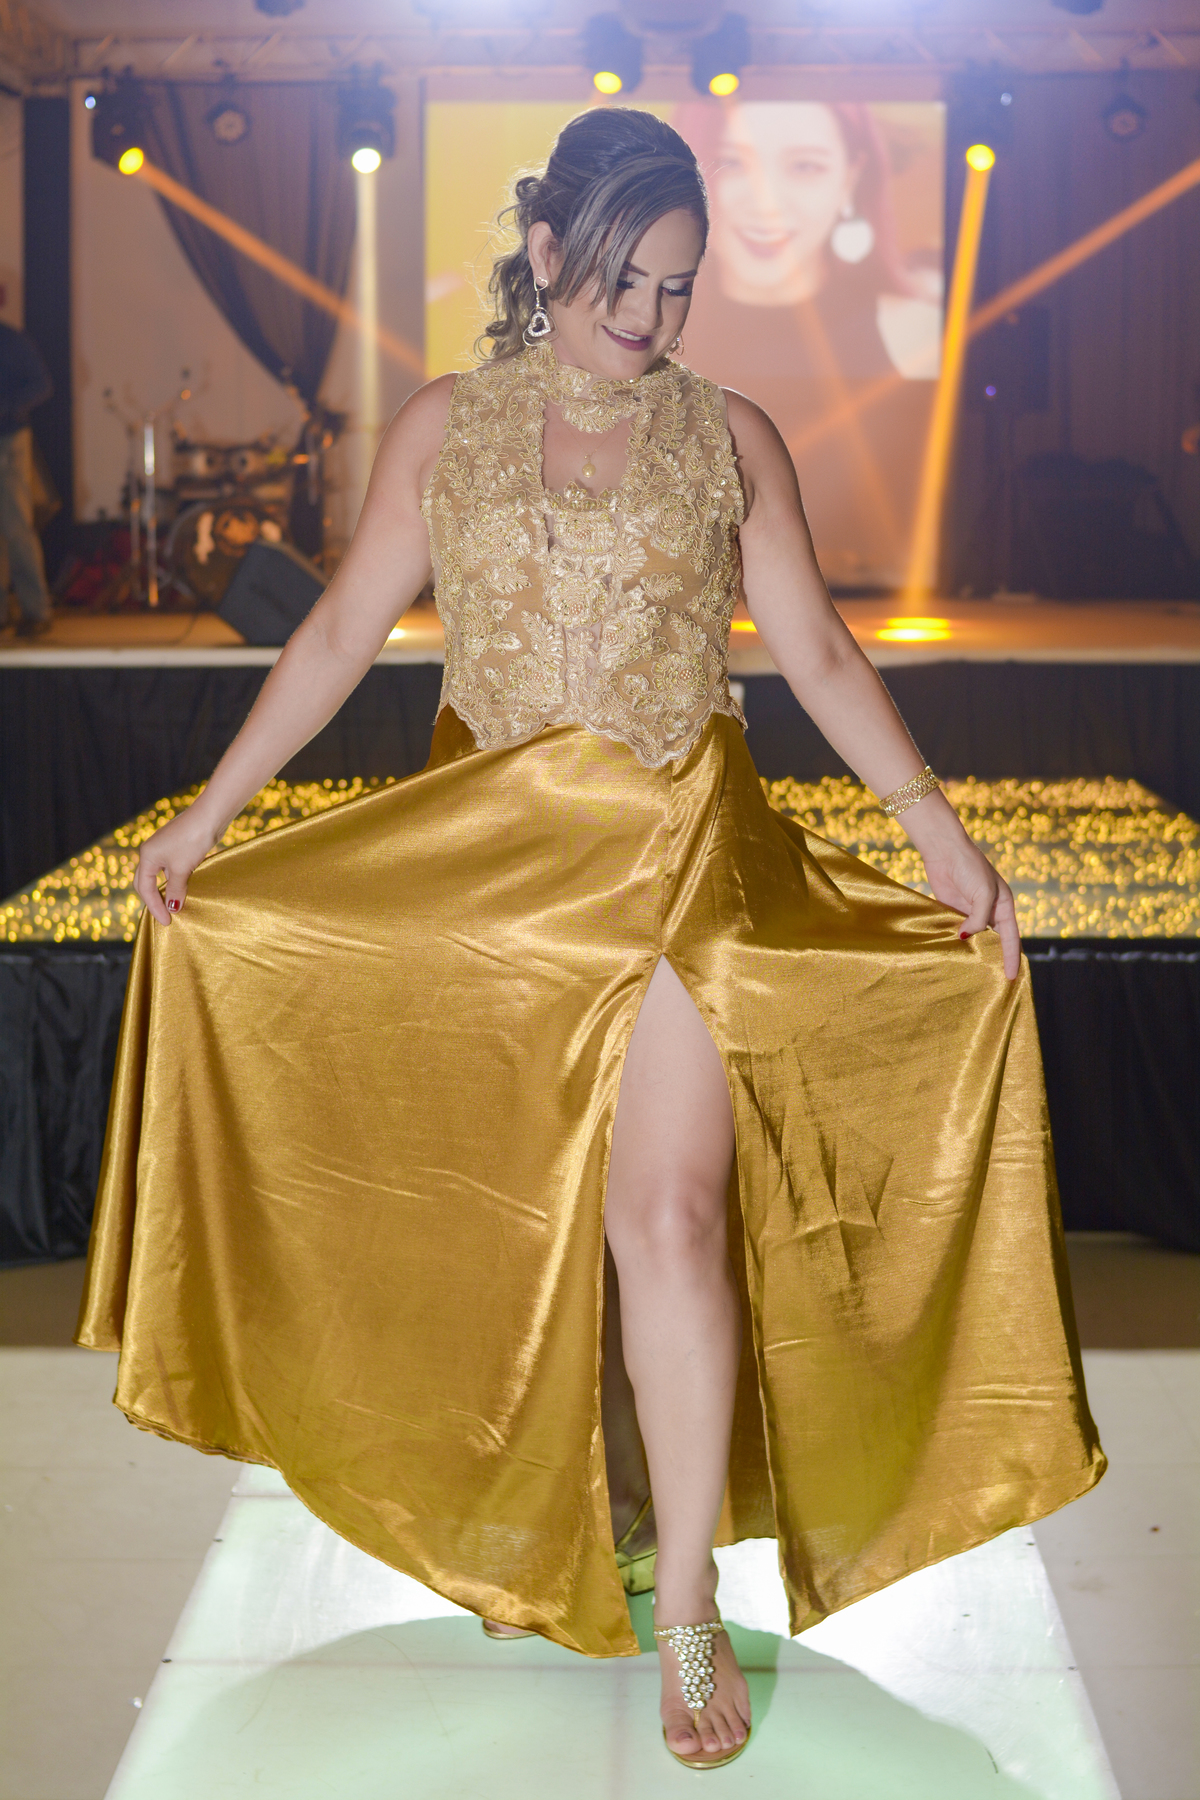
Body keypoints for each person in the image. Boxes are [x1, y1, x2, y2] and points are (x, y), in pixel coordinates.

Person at [78, 109, 1103, 1773]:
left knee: (667, 1216)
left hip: (682, 856)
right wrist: (208, 819)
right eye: (627, 278)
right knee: (512, 1239)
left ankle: (685, 1596)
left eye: (681, 288)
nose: (651, 316)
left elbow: (819, 655)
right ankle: (561, 1513)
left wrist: (943, 838)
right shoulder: (445, 427)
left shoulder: (730, 434)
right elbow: (340, 634)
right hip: (496, 890)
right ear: (549, 250)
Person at [0, 320, 54, 637]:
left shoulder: (9, 340)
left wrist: (6, 406)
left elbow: (43, 384)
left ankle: (36, 611)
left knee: (16, 526)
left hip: (8, 439)